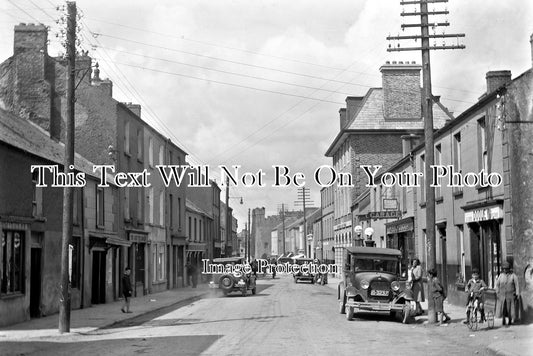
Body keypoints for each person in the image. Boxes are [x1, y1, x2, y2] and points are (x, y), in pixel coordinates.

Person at [495, 261, 520, 326]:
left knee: (510, 308)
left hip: (510, 295)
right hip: (502, 295)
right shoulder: (501, 276)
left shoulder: (513, 276)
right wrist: (497, 292)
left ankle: (509, 320)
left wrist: (517, 294)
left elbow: (517, 285)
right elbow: (497, 285)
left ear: (509, 269)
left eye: (507, 269)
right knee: (503, 308)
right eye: (504, 269)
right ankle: (503, 319)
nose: (505, 270)